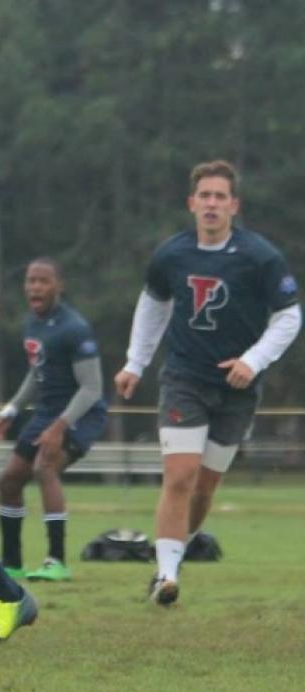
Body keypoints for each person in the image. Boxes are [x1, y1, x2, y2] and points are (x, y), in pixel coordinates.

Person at [114, 160, 299, 606]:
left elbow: (290, 315)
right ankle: (166, 575)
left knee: (204, 489)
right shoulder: (171, 255)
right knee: (180, 476)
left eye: (220, 197)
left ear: (233, 205)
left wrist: (253, 361)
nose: (212, 204)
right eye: (205, 196)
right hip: (184, 379)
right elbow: (153, 305)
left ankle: (175, 554)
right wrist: (134, 363)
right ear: (191, 203)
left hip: (237, 389)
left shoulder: (260, 257)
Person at [0, 257, 108, 581]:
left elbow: (91, 388)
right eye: (31, 280)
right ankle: (11, 564)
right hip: (47, 412)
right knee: (9, 480)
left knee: (46, 467)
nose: (35, 287)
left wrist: (60, 426)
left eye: (43, 281)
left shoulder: (75, 327)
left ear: (59, 286)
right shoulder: (34, 324)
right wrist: (11, 410)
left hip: (81, 414)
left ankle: (56, 561)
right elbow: (36, 373)